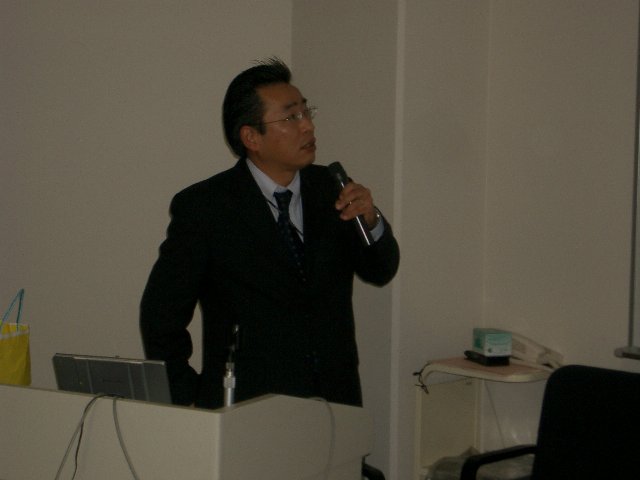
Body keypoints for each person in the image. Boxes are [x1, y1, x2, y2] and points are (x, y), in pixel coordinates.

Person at [140, 58, 400, 409]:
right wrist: (191, 395)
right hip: (248, 407)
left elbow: (381, 270)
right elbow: (161, 316)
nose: (307, 125)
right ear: (251, 137)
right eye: (291, 117)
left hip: (335, 401)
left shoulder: (332, 189)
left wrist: (370, 219)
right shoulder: (207, 208)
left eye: (306, 112)